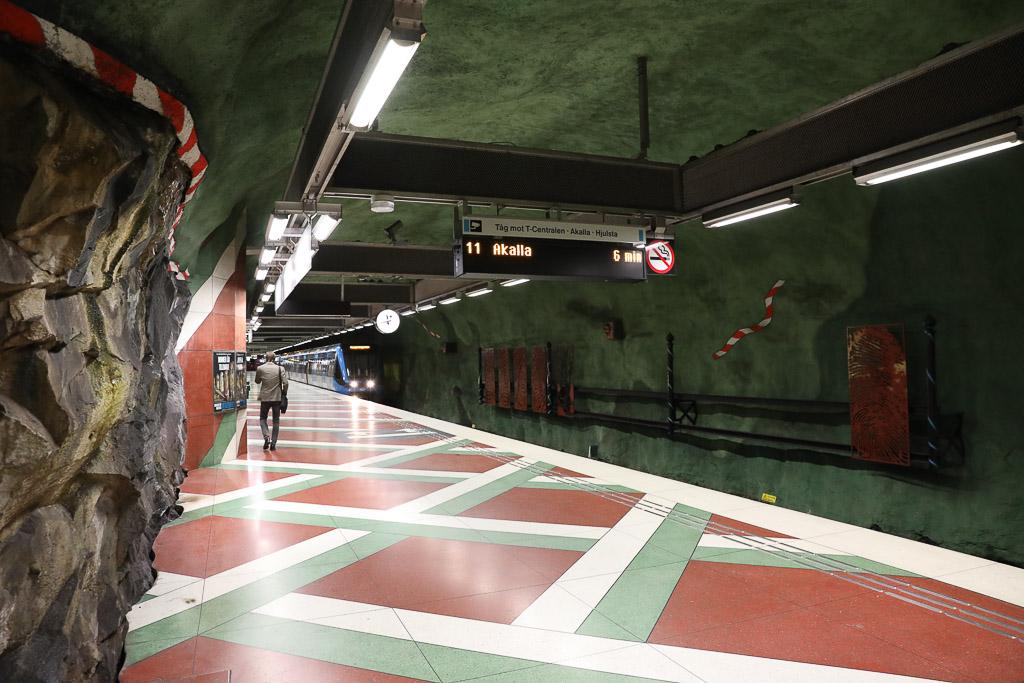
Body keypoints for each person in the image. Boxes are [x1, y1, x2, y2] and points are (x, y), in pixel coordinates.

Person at [254, 351, 288, 451]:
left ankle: (266, 437)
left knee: (263, 418)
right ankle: (273, 444)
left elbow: (257, 381)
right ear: (274, 358)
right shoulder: (280, 369)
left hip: (265, 398)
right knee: (276, 421)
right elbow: (285, 383)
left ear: (266, 358)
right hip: (277, 398)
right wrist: (284, 392)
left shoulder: (260, 368)